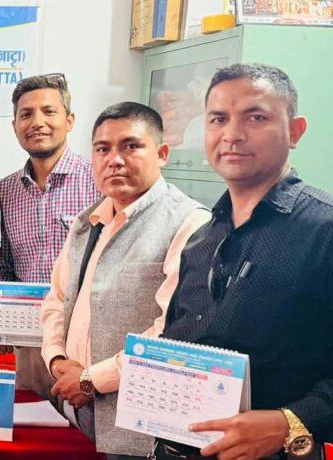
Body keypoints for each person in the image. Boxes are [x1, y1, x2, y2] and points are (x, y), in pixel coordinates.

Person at [156, 64, 333, 460]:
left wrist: (289, 422)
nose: (232, 135)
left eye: (256, 118)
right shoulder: (201, 238)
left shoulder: (324, 230)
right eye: (218, 119)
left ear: (295, 131)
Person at [40, 102, 209, 459]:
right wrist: (57, 360)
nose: (114, 160)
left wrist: (91, 379)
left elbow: (173, 333)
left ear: (162, 154)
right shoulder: (88, 222)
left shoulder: (189, 223)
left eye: (131, 146)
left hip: (140, 429)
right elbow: (57, 299)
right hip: (76, 410)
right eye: (103, 149)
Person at [0, 73, 100, 398]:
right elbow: (4, 267)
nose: (37, 122)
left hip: (87, 343)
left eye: (49, 111)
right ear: (14, 125)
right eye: (26, 114)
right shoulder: (4, 191)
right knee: (33, 422)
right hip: (29, 343)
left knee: (87, 427)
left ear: (69, 121)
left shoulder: (99, 182)